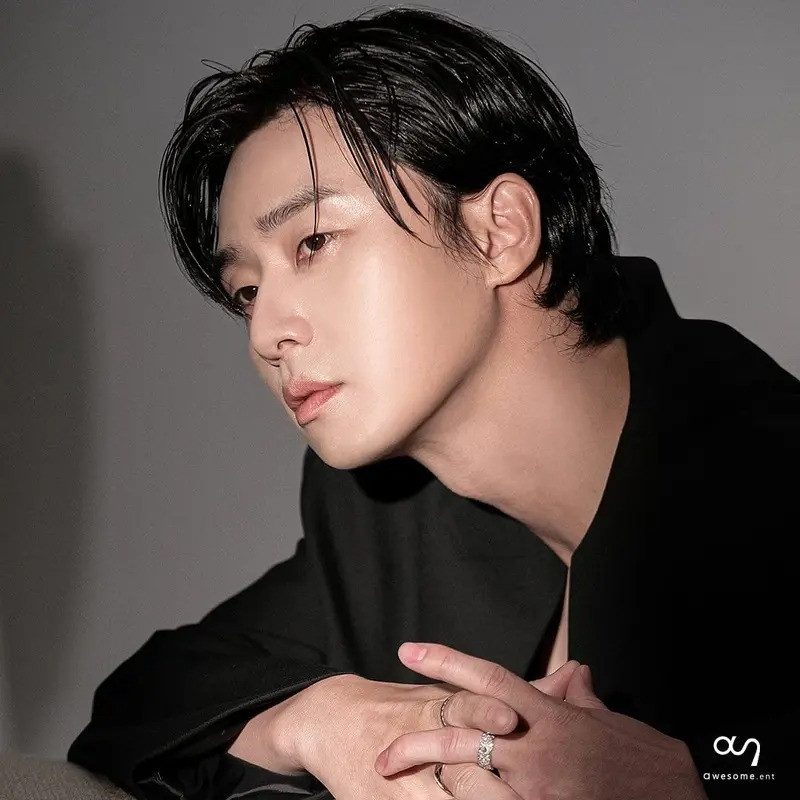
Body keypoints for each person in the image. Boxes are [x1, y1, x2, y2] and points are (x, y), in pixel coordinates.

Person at [68, 6, 798, 800]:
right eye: (246, 291)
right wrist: (321, 717)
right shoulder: (382, 508)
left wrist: (693, 779)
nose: (267, 332)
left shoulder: (766, 465)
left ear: (499, 231)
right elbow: (147, 699)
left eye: (313, 242)